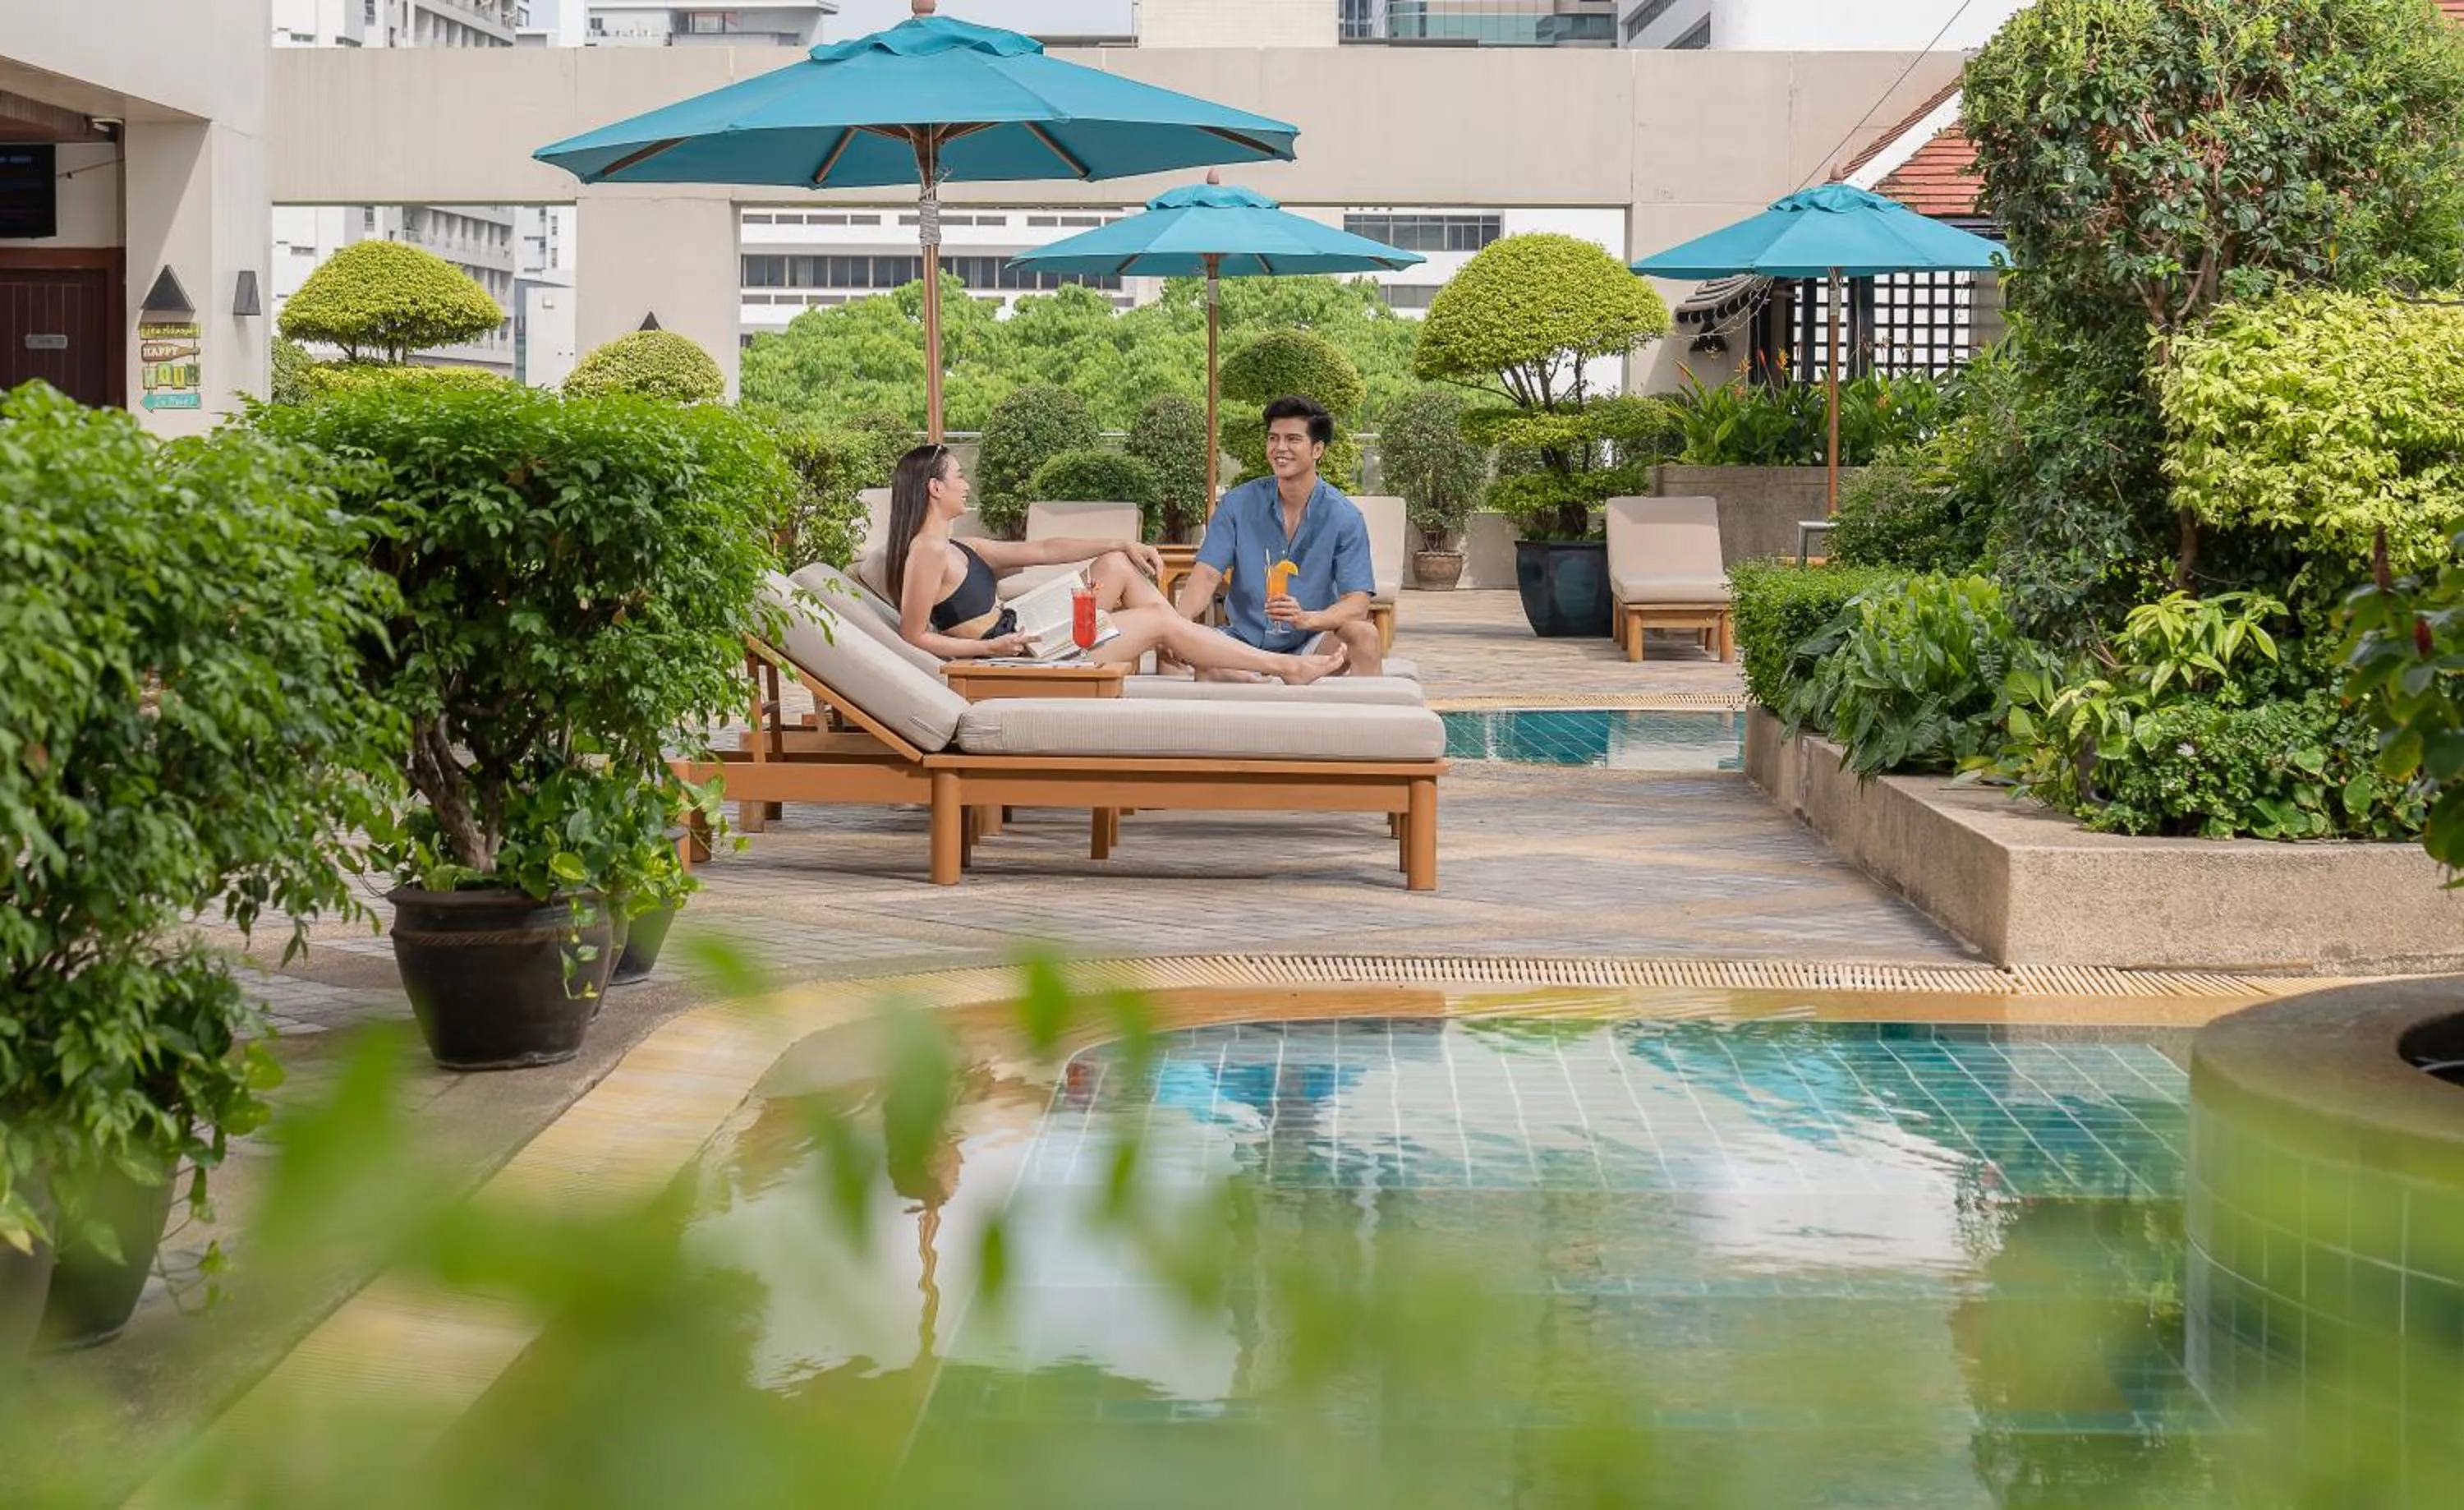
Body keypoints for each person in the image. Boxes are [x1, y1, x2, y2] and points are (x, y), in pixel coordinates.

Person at [883, 443, 1347, 683]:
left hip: (1025, 630)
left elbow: (1044, 550)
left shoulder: (961, 546)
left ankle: (1197, 652)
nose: (967, 485)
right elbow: (915, 635)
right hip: (1018, 656)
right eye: (959, 478)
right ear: (935, 488)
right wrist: (988, 651)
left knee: (1117, 565)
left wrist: (1121, 542)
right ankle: (1283, 667)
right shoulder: (927, 551)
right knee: (1158, 623)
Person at [1174, 395, 1383, 679]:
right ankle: (1263, 679)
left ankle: (1368, 720)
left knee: (1365, 634)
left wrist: (1308, 619)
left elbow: (1357, 604)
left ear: (1317, 449)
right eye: (1273, 438)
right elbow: (1207, 575)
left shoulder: (1344, 517)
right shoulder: (1237, 505)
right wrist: (1179, 625)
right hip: (1244, 644)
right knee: (1200, 657)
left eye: (1293, 439)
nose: (1279, 448)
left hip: (1311, 642)